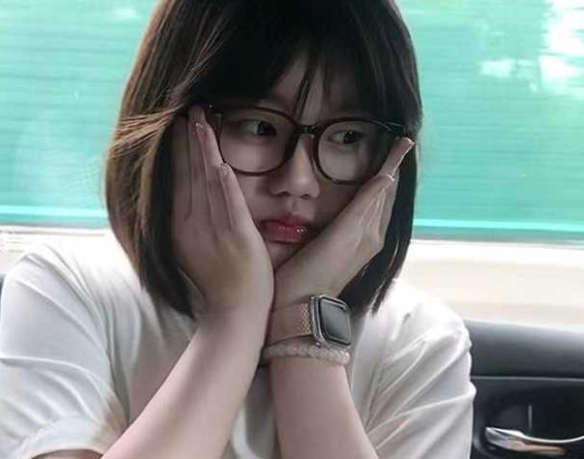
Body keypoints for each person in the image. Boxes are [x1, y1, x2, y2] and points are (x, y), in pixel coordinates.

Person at [0, 1, 476, 458]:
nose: (299, 181)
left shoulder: (419, 342)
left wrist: (304, 328)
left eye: (349, 137)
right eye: (259, 127)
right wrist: (236, 316)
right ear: (170, 128)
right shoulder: (67, 290)